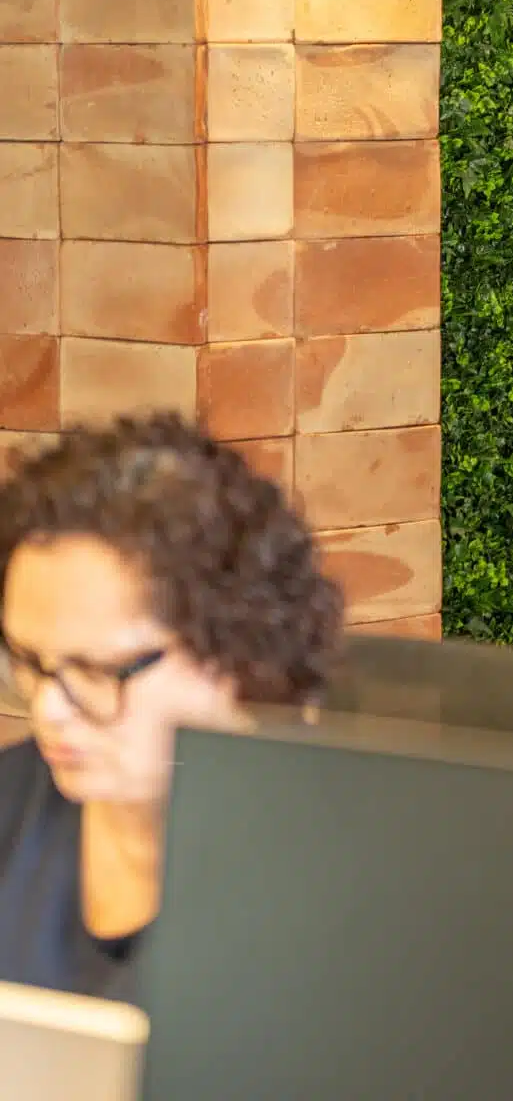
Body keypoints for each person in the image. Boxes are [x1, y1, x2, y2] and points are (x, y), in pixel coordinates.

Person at [0, 413, 343, 1002]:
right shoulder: (13, 802)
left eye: (96, 670)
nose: (48, 709)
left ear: (236, 651)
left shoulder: (350, 878)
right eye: (29, 661)